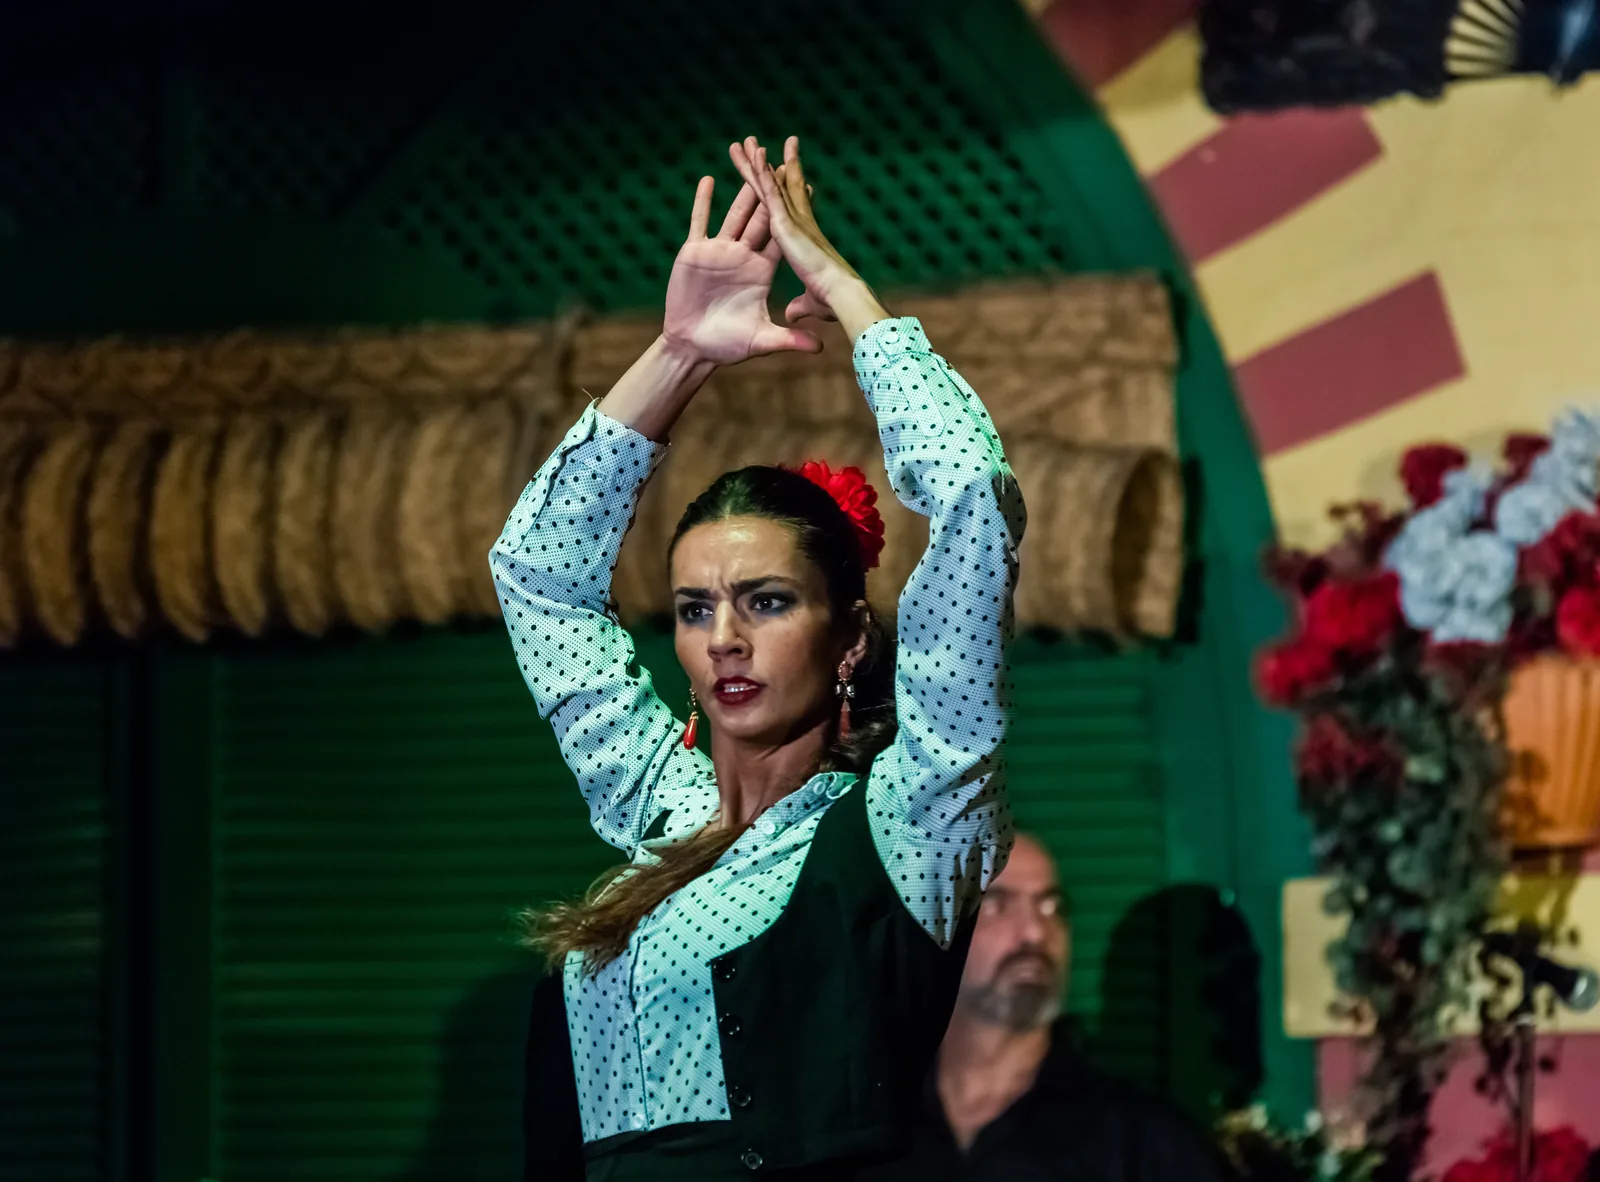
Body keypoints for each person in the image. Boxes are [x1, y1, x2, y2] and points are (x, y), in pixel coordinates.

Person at [492, 135, 1026, 1180]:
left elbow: (971, 502)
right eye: (694, 609)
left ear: (849, 637)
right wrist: (680, 352)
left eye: (766, 602)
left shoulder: (910, 821)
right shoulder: (659, 808)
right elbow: (537, 574)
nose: (724, 637)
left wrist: (845, 289)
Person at [868, 833, 1229, 1181]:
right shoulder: (861, 1128)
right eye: (998, 904)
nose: (1036, 933)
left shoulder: (1145, 1144)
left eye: (1051, 906)